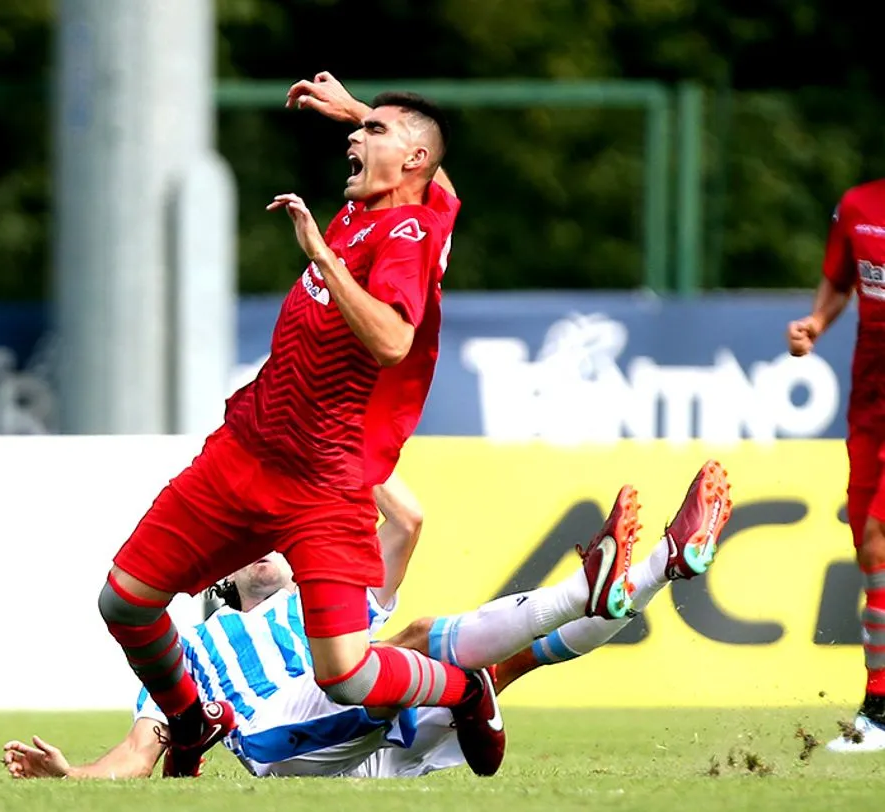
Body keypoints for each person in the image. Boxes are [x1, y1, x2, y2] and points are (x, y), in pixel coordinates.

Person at [96, 71, 637, 778]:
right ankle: (190, 718)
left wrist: (323, 257)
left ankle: (466, 687)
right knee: (125, 602)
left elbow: (391, 340)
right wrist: (364, 112)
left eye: (374, 131)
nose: (355, 136)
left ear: (411, 160)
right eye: (360, 128)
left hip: (323, 480)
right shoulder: (403, 200)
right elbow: (439, 181)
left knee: (346, 675)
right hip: (245, 450)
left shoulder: (408, 233)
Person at [5, 461, 731, 780]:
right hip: (278, 747)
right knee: (421, 644)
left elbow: (408, 520)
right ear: (219, 573)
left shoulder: (324, 595)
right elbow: (141, 750)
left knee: (503, 660)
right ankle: (589, 589)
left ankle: (662, 561)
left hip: (369, 753)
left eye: (272, 535)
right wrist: (76, 777)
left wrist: (335, 445)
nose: (260, 541)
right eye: (243, 542)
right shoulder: (190, 647)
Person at [787, 179, 885, 753]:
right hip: (871, 393)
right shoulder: (859, 205)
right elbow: (841, 277)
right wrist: (817, 322)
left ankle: (879, 711)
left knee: (878, 541)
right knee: (867, 546)